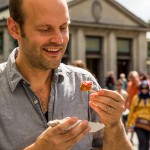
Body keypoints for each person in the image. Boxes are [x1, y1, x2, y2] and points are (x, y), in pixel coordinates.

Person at [0, 0, 133, 150]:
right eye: (45, 29)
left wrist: (114, 125)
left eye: (64, 27)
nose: (59, 39)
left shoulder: (84, 82)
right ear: (14, 28)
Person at [126, 80, 150, 150]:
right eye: (142, 88)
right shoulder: (136, 98)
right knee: (142, 141)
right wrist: (129, 124)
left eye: (146, 88)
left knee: (147, 143)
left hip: (149, 123)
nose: (144, 90)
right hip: (138, 123)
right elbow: (132, 111)